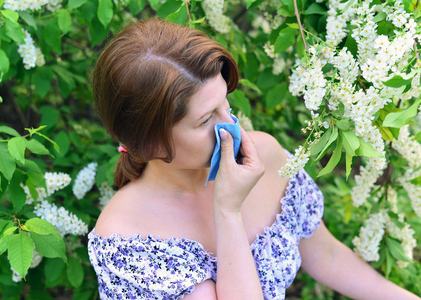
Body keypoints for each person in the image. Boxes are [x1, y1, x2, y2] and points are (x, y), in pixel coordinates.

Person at [87, 17, 420, 300]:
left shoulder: (265, 154)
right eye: (206, 120)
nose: (230, 125)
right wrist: (228, 211)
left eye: (226, 105)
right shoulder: (128, 238)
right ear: (149, 143)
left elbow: (324, 253)